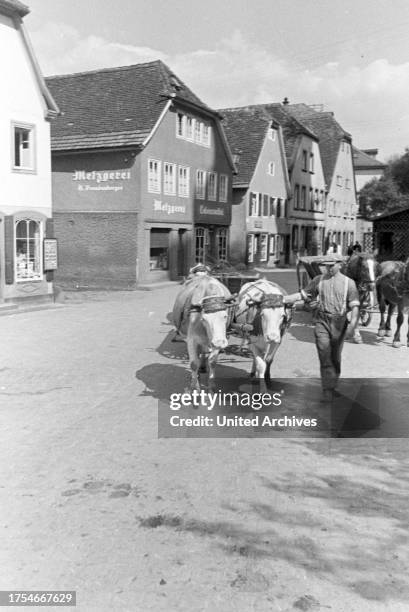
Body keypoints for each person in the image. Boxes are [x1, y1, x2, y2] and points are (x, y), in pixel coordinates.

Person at [284, 258, 360, 402]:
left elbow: (355, 306)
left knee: (335, 356)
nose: (329, 268)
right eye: (326, 266)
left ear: (340, 265)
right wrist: (283, 299)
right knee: (324, 353)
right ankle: (327, 390)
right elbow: (302, 295)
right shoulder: (318, 280)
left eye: (332, 266)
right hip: (321, 321)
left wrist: (353, 326)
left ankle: (332, 384)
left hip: (340, 322)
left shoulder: (349, 283)